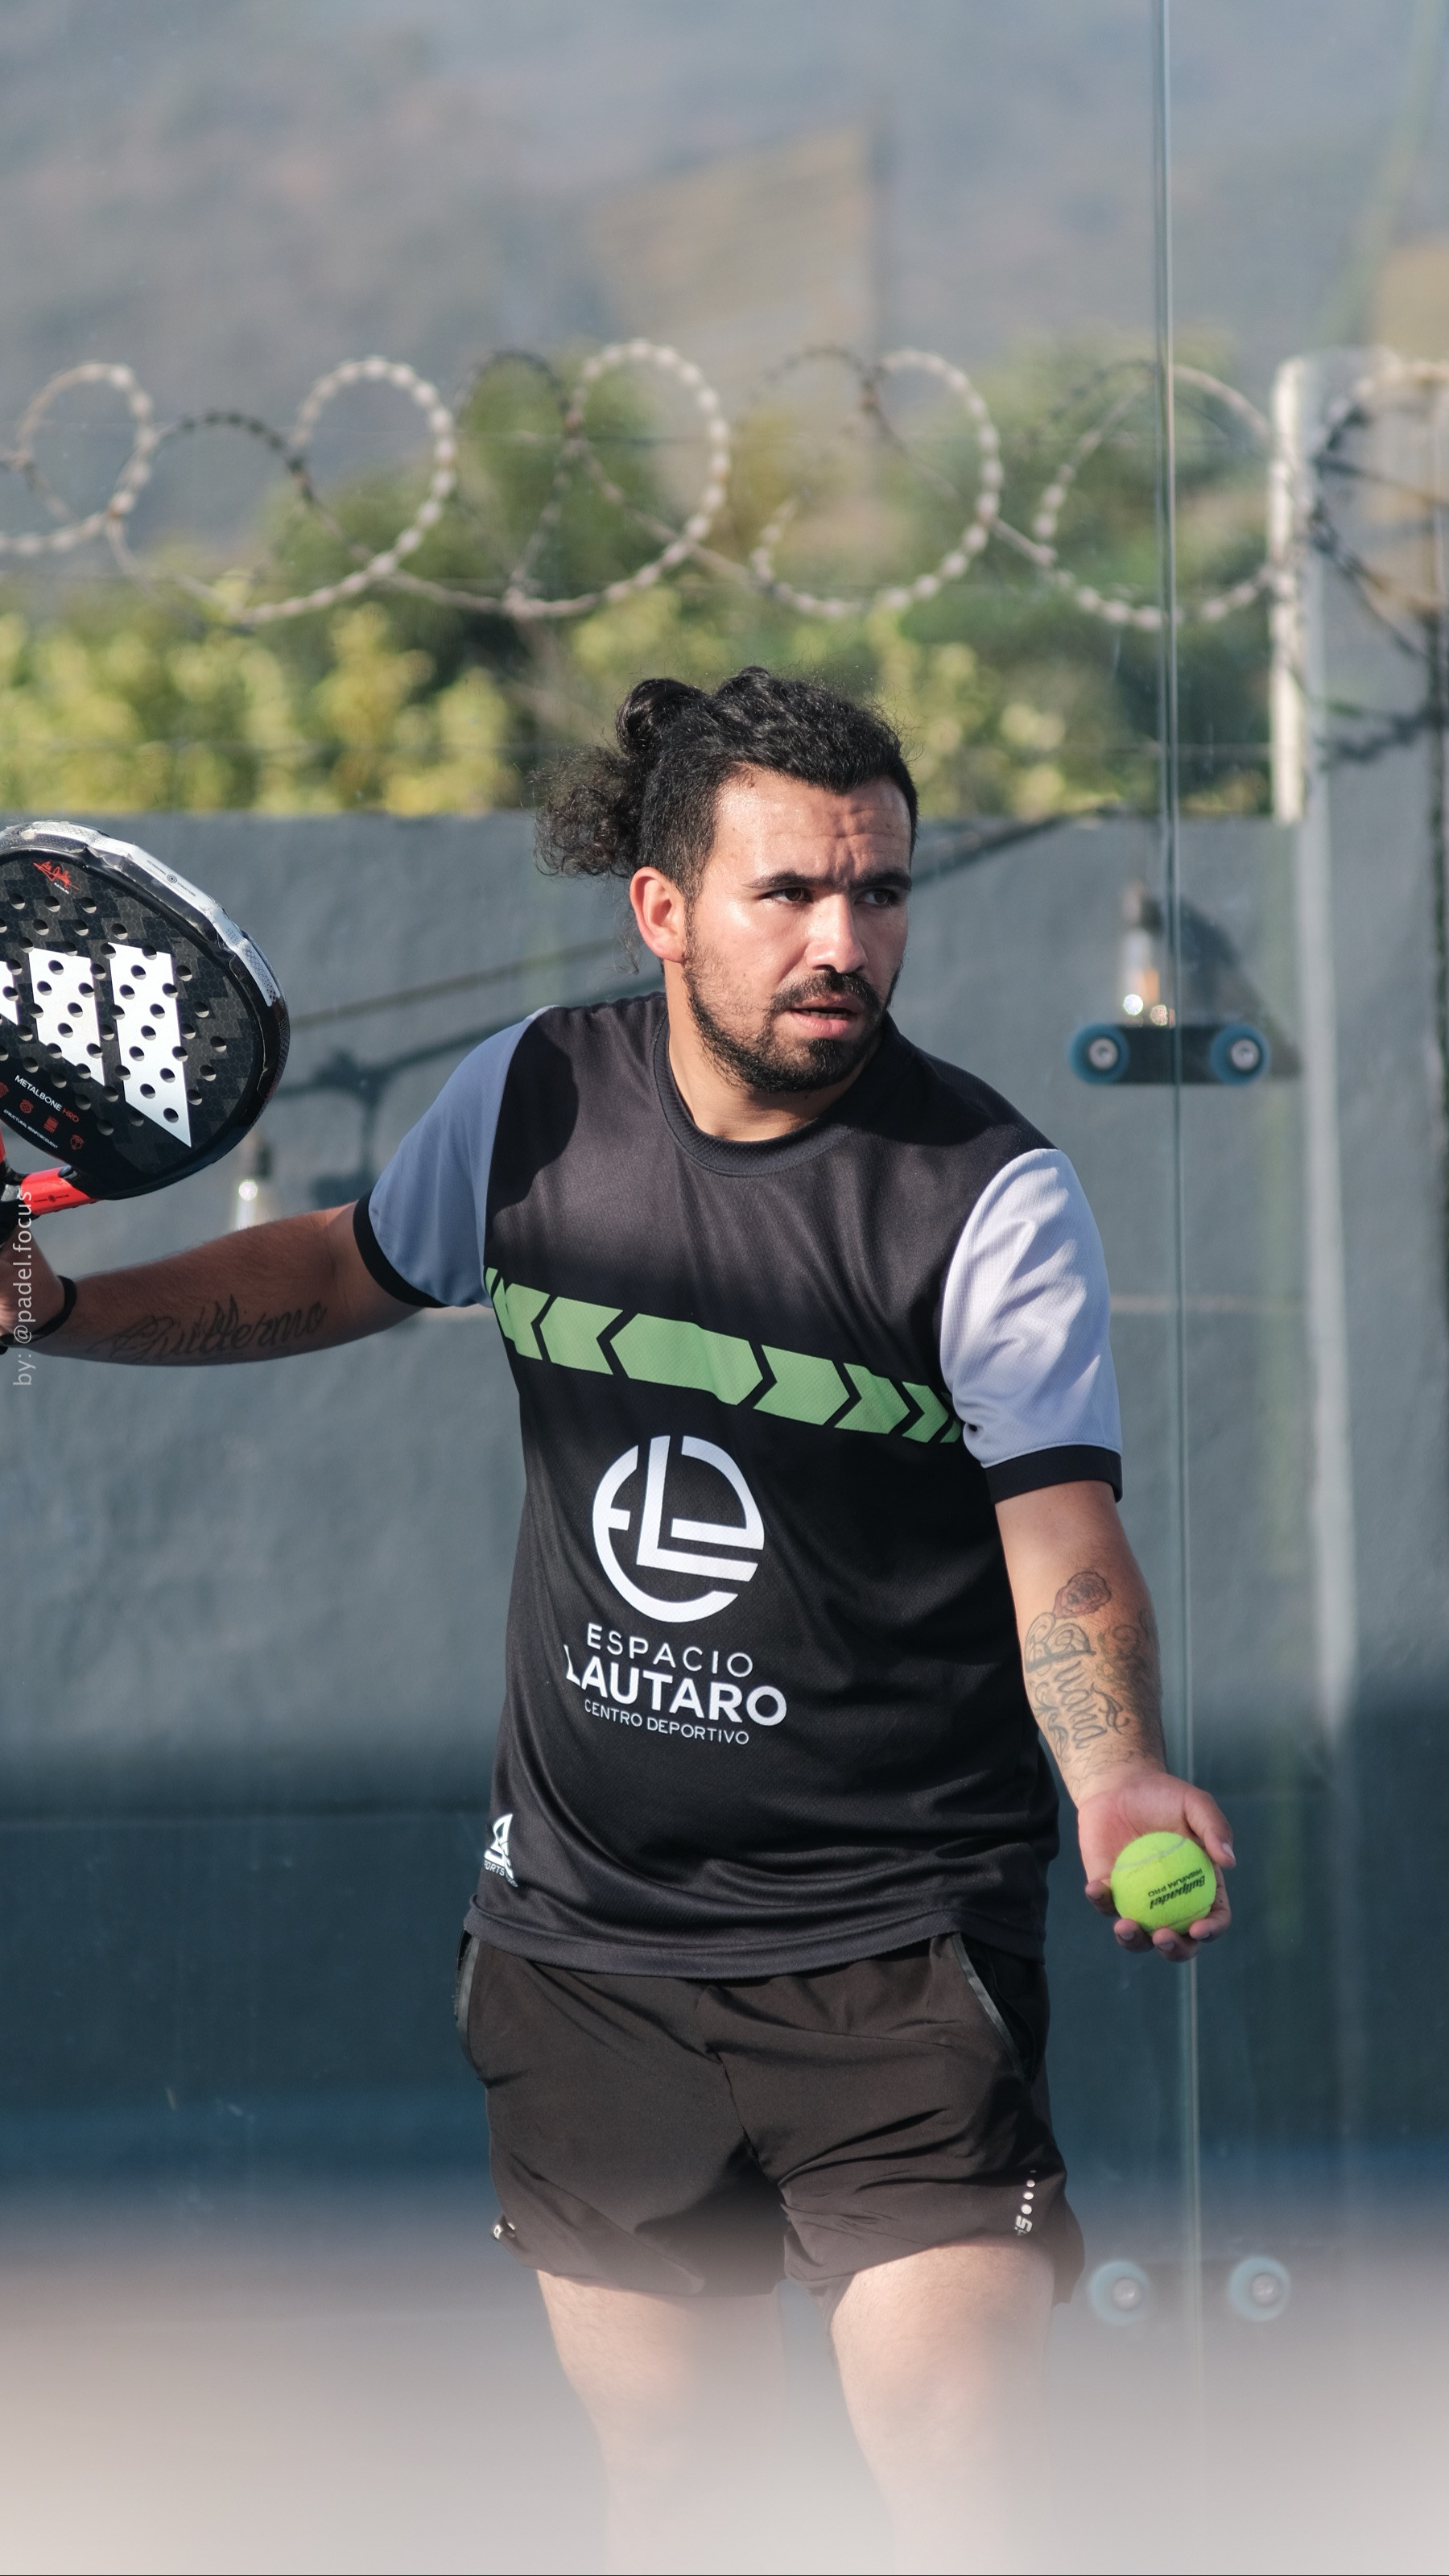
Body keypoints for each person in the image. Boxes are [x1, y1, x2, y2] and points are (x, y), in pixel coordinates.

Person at [2, 668, 1234, 2576]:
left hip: (895, 1950)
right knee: (676, 2494)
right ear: (662, 907)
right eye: (789, 893)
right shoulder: (531, 1098)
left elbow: (1060, 1537)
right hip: (585, 1954)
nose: (845, 942)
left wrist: (1121, 1768)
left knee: (965, 2473)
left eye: (880, 892)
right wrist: (70, 1312)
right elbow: (343, 1265)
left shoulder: (990, 1198)